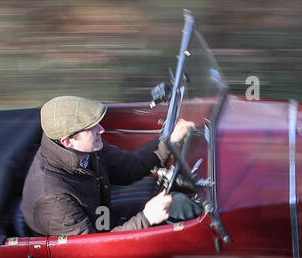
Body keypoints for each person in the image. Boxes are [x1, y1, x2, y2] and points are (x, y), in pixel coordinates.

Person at [22, 95, 201, 237]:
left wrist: (168, 143)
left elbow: (127, 168)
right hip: (91, 246)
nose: (101, 129)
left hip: (101, 217)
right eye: (91, 127)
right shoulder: (54, 200)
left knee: (180, 205)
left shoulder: (85, 148)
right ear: (68, 141)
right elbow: (90, 248)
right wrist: (147, 218)